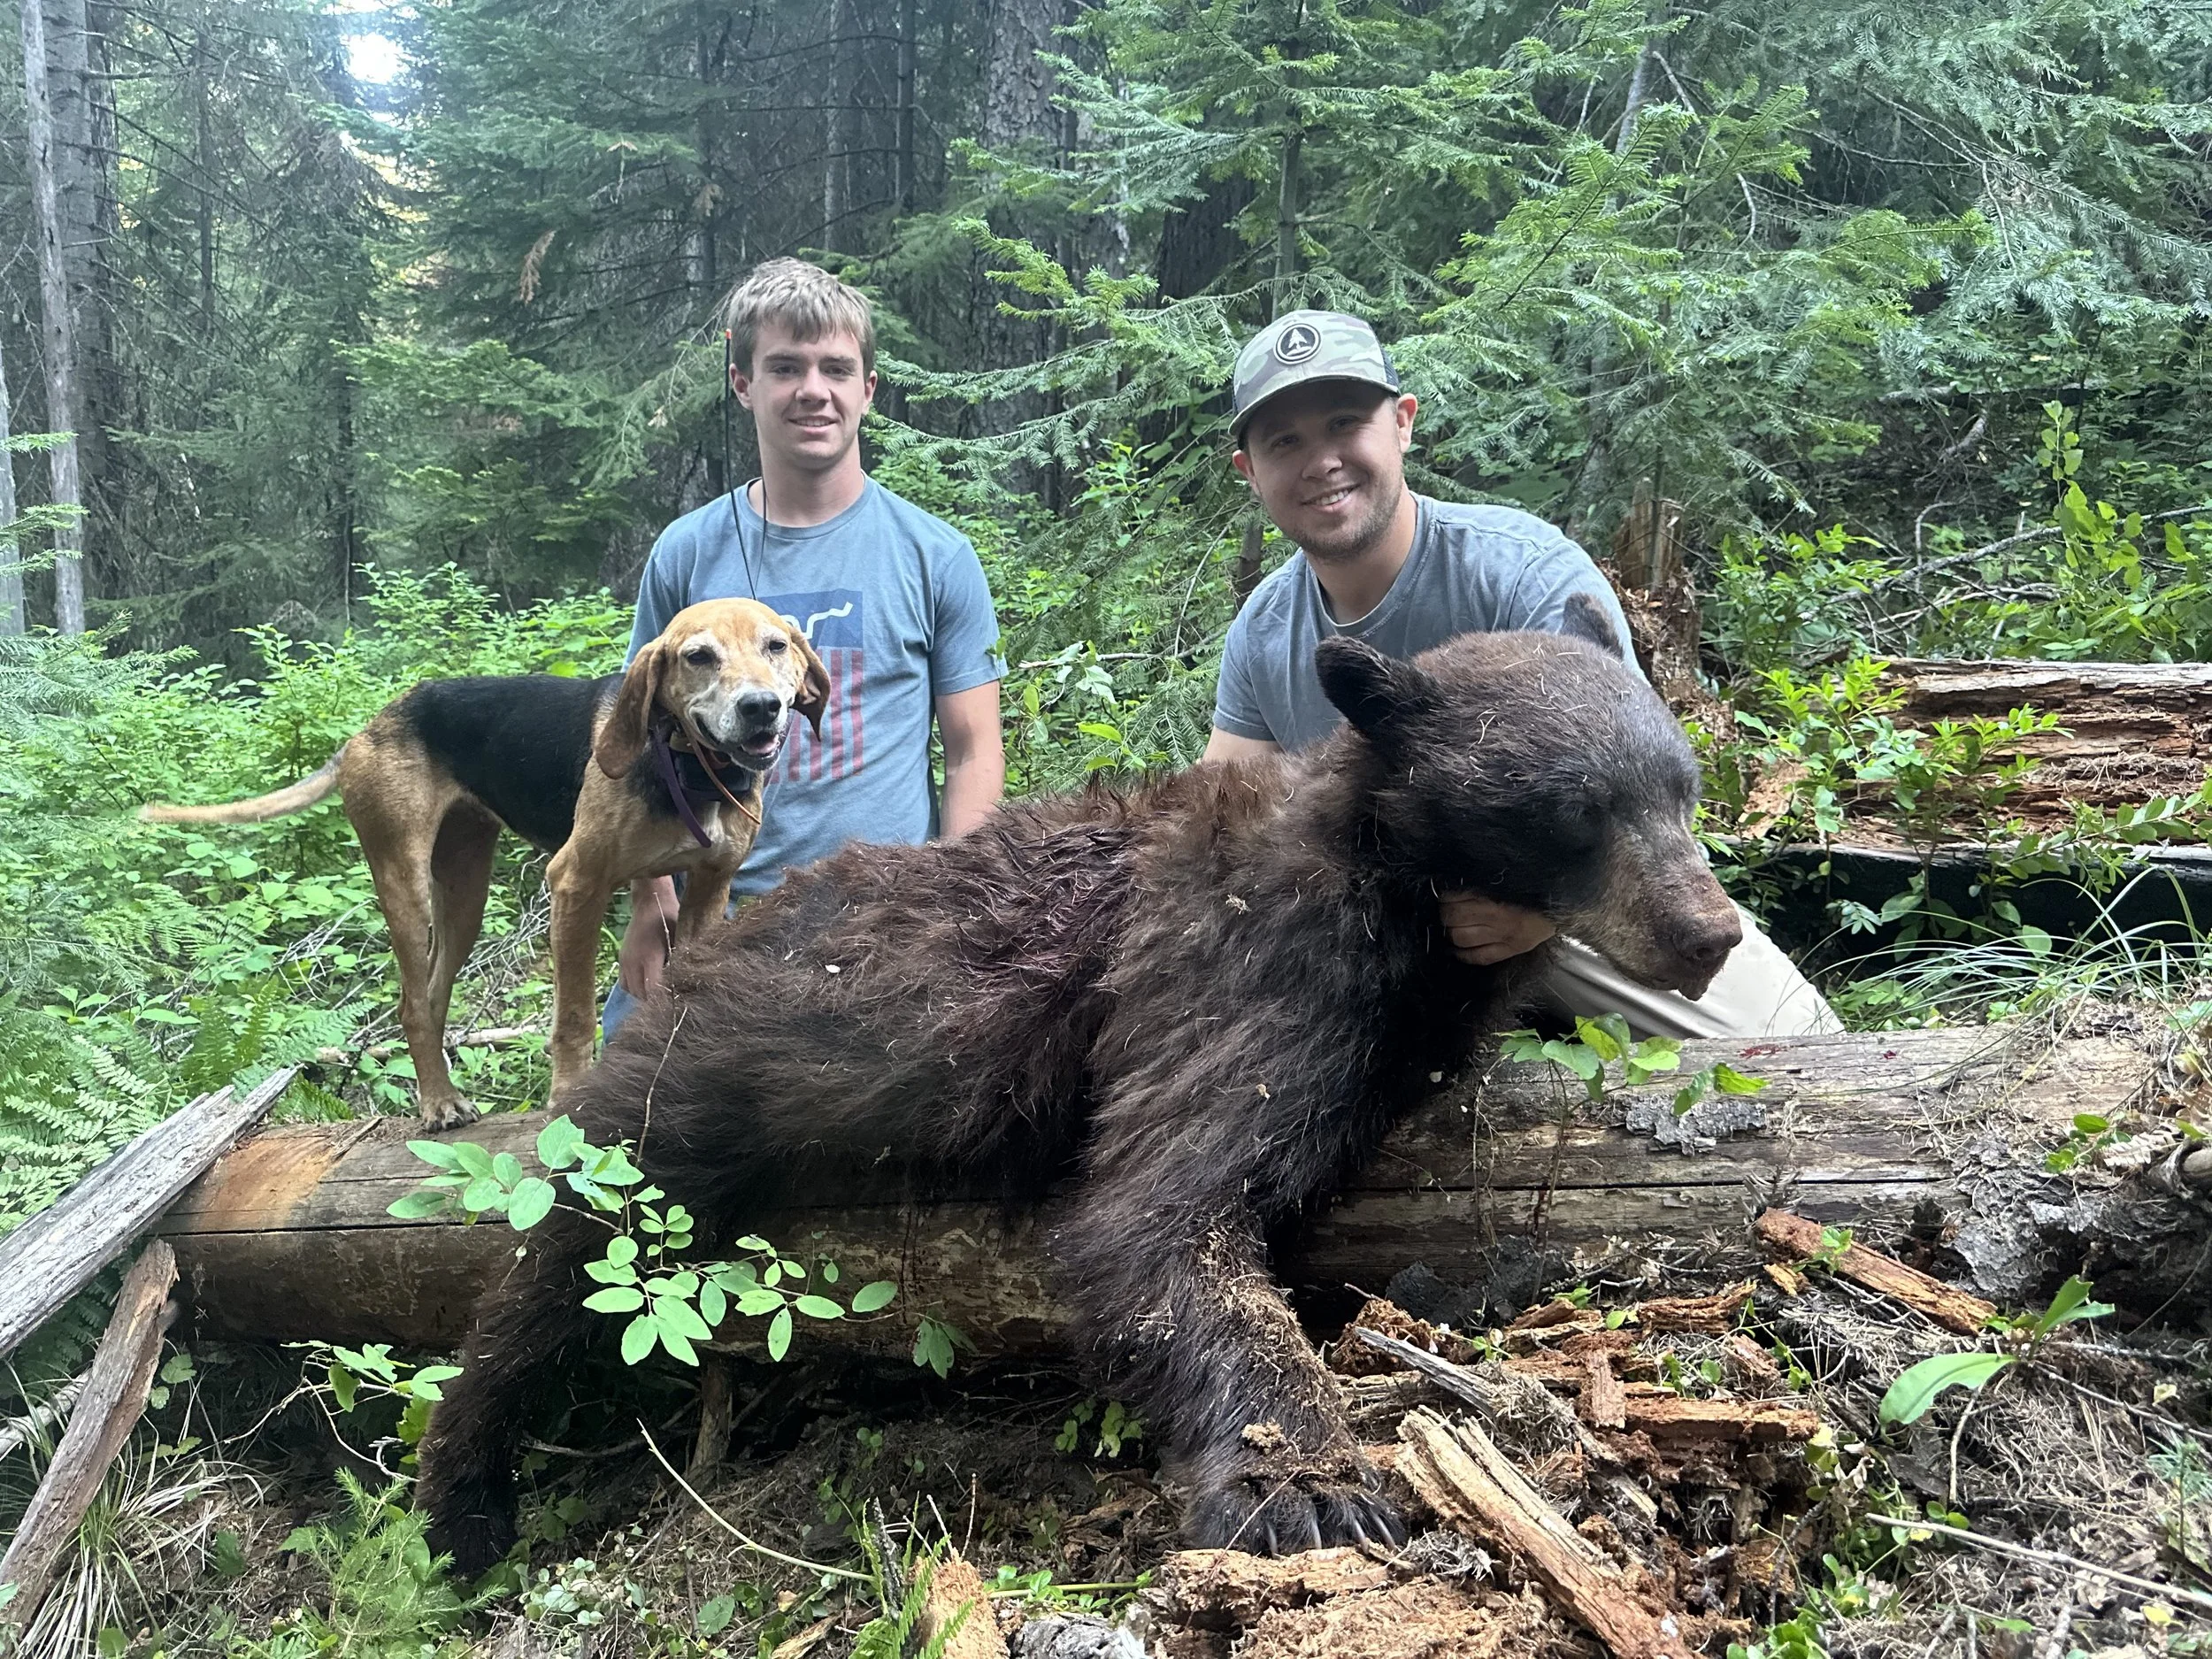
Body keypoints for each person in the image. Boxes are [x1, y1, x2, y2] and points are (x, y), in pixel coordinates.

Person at [1203, 310, 1839, 1039]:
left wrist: (1539, 916)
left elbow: (1633, 792)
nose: (1322, 461)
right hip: (1371, 924)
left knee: (1798, 1044)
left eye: (1345, 422)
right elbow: (1220, 812)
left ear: (1402, 423)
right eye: (1285, 441)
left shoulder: (1523, 571)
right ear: (1250, 472)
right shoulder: (1265, 625)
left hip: (1574, 901)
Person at [603, 259, 1007, 1034]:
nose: (812, 389)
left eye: (836, 368)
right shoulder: (687, 554)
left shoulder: (934, 556)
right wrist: (652, 902)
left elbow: (972, 752)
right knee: (622, 1137)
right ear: (743, 382)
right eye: (784, 366)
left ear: (868, 389)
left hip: (879, 926)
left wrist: (960, 912)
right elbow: (636, 739)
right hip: (708, 917)